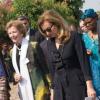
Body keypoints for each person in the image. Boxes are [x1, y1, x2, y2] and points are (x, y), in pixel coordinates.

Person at [37, 9, 96, 100]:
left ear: (57, 22)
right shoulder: (47, 45)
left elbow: (84, 63)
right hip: (59, 89)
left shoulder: (74, 37)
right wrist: (53, 91)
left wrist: (90, 86)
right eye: (44, 31)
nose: (47, 33)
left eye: (49, 29)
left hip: (77, 86)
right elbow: (52, 70)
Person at [5, 20, 51, 100]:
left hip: (40, 91)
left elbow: (45, 68)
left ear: (22, 32)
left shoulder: (34, 46)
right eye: (10, 33)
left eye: (14, 32)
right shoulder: (12, 52)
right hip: (23, 91)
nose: (12, 35)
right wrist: (14, 76)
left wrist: (52, 87)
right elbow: (12, 71)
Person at [81, 8, 100, 97]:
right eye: (85, 23)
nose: (87, 25)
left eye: (89, 22)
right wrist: (85, 52)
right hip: (91, 73)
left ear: (96, 19)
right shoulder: (83, 38)